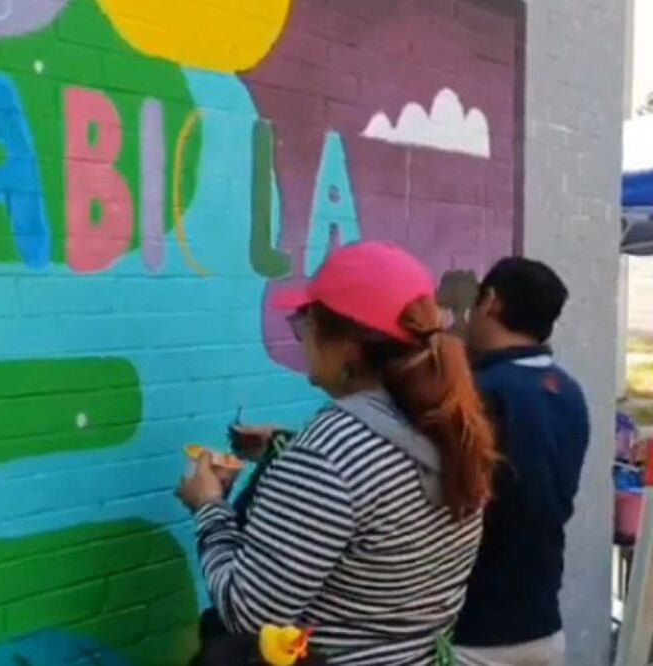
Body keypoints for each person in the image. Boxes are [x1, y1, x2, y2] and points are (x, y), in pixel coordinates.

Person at [177, 242, 497, 665]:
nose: (301, 336)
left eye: (304, 323)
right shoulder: (446, 428)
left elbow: (250, 612)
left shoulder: (329, 454)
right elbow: (375, 486)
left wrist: (209, 507)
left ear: (346, 348)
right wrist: (284, 450)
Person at [454, 258, 591, 666]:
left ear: (490, 302)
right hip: (542, 625)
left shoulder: (482, 394)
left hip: (478, 631)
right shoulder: (568, 392)